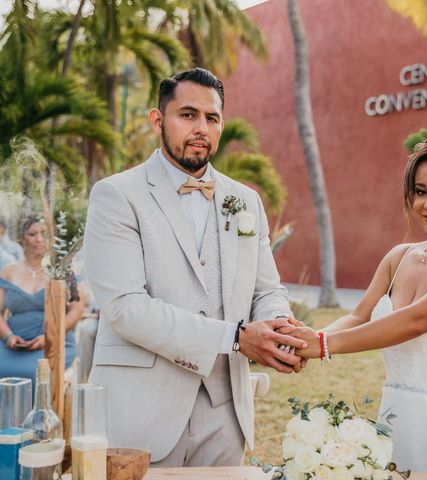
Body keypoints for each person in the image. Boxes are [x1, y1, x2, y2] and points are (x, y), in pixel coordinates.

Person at [83, 68, 307, 467]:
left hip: (225, 415)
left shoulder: (246, 201)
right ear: (158, 120)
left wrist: (279, 330)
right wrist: (236, 337)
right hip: (141, 411)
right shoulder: (117, 196)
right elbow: (125, 308)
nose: (201, 128)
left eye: (212, 118)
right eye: (188, 115)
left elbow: (267, 289)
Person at [283, 136, 427, 479]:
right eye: (420, 191)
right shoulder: (398, 257)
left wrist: (320, 346)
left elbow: (416, 320)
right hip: (394, 420)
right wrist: (309, 337)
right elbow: (358, 315)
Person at [0, 215, 84, 389]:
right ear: (22, 239)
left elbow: (77, 310)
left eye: (44, 234)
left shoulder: (66, 270)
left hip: (54, 340)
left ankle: (39, 416)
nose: (39, 239)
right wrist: (8, 336)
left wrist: (49, 336)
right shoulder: (8, 271)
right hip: (12, 342)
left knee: (36, 373)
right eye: (32, 234)